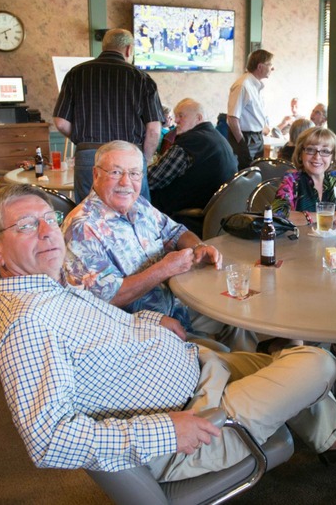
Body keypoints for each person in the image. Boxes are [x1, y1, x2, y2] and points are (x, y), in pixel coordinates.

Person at [0, 183, 336, 481]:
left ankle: (335, 439)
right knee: (317, 363)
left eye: (50, 218)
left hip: (202, 373)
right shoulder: (26, 324)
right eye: (27, 225)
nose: (49, 233)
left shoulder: (50, 288)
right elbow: (48, 440)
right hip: (196, 425)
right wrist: (168, 431)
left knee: (287, 362)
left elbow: (104, 327)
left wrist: (148, 322)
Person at [63, 141, 254, 351]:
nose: (126, 182)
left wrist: (199, 247)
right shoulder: (83, 228)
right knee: (222, 354)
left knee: (240, 314)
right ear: (96, 174)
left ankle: (248, 363)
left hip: (178, 303)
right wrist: (164, 269)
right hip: (140, 331)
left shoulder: (138, 205)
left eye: (134, 173)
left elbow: (175, 232)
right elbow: (108, 298)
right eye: (116, 172)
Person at [53, 29, 164, 203]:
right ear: (128, 49)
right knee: (134, 212)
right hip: (129, 157)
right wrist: (144, 159)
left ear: (104, 46)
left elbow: (60, 122)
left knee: (88, 212)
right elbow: (154, 130)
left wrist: (82, 140)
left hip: (89, 155)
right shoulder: (142, 78)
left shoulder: (76, 73)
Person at [149, 98, 238, 231]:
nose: (176, 120)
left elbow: (153, 179)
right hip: (217, 211)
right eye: (176, 116)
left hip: (186, 214)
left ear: (199, 118)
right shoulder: (217, 137)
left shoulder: (192, 141)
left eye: (181, 116)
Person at [272, 127, 336, 226]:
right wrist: (327, 217)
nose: (317, 157)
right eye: (310, 150)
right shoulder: (292, 179)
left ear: (332, 156)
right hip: (302, 236)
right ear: (300, 154)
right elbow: (276, 216)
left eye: (325, 151)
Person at [226, 49, 274, 169]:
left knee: (257, 172)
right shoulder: (243, 85)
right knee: (246, 173)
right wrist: (241, 144)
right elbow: (232, 118)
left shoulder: (256, 85)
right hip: (245, 138)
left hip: (257, 137)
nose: (272, 68)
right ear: (260, 66)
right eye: (270, 64)